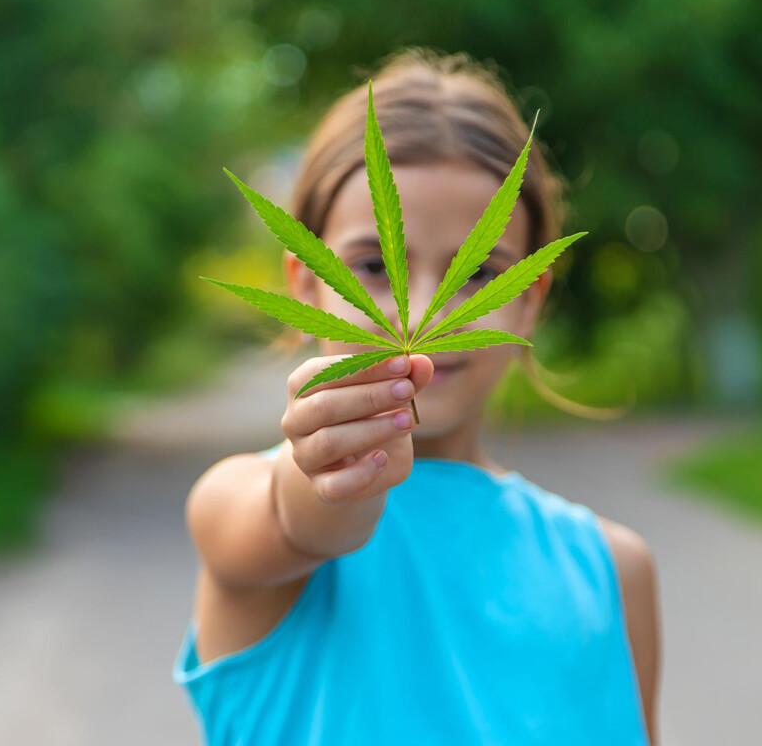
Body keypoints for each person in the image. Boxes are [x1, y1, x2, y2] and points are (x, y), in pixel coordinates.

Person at [173, 46, 661, 745]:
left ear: (528, 302)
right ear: (305, 283)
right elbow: (303, 518)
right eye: (374, 265)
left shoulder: (613, 571)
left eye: (477, 274)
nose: (417, 315)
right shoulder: (237, 505)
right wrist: (338, 467)